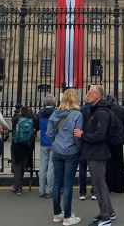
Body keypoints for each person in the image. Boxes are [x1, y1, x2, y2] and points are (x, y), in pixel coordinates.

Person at [74, 85, 115, 226]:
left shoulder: (101, 113)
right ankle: (109, 212)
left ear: (97, 95)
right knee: (100, 184)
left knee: (99, 185)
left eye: (90, 92)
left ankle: (105, 218)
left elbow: (100, 135)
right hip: (93, 152)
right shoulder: (94, 110)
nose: (87, 94)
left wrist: (82, 134)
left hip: (98, 154)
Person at [47, 89, 83, 226]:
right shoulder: (77, 114)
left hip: (57, 151)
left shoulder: (55, 113)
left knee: (57, 183)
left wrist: (56, 142)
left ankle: (57, 214)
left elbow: (49, 133)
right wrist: (79, 149)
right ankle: (67, 217)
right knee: (68, 184)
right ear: (75, 99)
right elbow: (77, 135)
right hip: (71, 152)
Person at [105, 94, 124, 193]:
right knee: (119, 163)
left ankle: (109, 186)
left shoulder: (104, 109)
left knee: (108, 163)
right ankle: (119, 187)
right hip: (118, 139)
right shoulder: (118, 109)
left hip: (107, 139)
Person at [10, 106, 38, 196]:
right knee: (22, 165)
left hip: (16, 145)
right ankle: (17, 184)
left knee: (17, 165)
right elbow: (36, 129)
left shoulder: (16, 119)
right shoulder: (33, 119)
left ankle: (18, 187)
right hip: (27, 146)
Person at [38, 94, 56, 198]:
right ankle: (49, 190)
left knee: (43, 166)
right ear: (53, 103)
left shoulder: (40, 112)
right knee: (51, 167)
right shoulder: (55, 113)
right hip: (53, 141)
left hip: (43, 142)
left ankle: (41, 190)